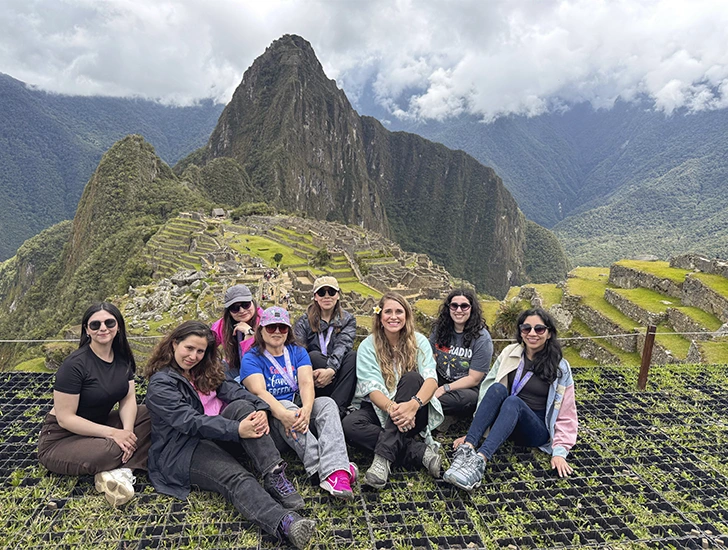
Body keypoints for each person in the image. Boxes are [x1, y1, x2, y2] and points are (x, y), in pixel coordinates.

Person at [144, 321, 315, 549]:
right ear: (175, 344)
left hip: (218, 436)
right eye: (189, 348)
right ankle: (285, 522)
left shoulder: (204, 370)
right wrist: (236, 430)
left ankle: (274, 473)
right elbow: (189, 422)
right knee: (236, 477)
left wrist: (260, 409)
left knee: (245, 408)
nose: (193, 356)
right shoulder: (161, 384)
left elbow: (235, 391)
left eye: (200, 351)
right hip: (184, 448)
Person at [443, 308, 578, 491]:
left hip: (534, 429)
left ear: (549, 333)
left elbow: (566, 413)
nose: (532, 333)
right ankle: (467, 450)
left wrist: (560, 452)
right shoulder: (510, 353)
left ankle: (480, 461)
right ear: (520, 332)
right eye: (526, 328)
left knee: (513, 401)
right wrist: (475, 431)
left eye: (539, 329)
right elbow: (487, 391)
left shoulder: (560, 367)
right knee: (497, 388)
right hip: (506, 421)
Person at [37, 302, 151, 507]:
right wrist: (114, 434)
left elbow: (128, 398)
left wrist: (127, 432)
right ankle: (123, 465)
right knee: (109, 450)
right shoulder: (75, 365)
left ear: (118, 327)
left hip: (98, 426)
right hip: (61, 439)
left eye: (109, 322)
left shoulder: (123, 359)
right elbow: (65, 418)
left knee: (152, 414)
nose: (103, 328)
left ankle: (123, 472)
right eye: (95, 325)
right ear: (87, 330)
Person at [241, 306, 357, 500]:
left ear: (288, 331)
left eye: (282, 327)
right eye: (271, 327)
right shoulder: (252, 358)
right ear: (261, 330)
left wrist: (307, 408)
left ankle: (336, 471)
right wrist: (284, 414)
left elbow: (306, 383)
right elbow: (260, 392)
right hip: (273, 419)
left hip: (298, 415)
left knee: (327, 403)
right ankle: (325, 468)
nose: (277, 332)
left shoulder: (297, 352)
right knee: (286, 406)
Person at [342, 292, 444, 489]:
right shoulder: (368, 346)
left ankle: (382, 459)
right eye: (388, 311)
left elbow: (431, 380)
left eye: (399, 311)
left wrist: (413, 406)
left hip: (416, 409)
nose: (393, 316)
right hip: (382, 407)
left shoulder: (419, 341)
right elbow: (372, 388)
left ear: (406, 316)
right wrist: (393, 409)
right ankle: (420, 452)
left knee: (413, 378)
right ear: (380, 317)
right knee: (350, 425)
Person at [293, 276, 357, 417]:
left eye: (331, 292)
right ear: (315, 297)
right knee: (313, 356)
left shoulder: (347, 319)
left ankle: (336, 411)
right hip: (314, 376)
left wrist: (331, 370)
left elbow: (343, 344)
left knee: (353, 357)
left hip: (337, 372)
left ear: (338, 295)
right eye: (322, 293)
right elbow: (299, 349)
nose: (327, 296)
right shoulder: (304, 321)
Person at [430, 289, 493, 419]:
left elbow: (474, 379)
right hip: (441, 378)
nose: (459, 310)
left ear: (471, 308)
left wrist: (444, 389)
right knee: (413, 380)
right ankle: (430, 408)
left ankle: (427, 408)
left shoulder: (481, 338)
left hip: (467, 387)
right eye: (454, 306)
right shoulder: (440, 330)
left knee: (463, 400)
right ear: (448, 308)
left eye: (464, 306)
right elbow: (430, 360)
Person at [210, 284, 263, 377]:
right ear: (229, 312)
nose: (242, 310)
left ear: (253, 302)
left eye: (246, 305)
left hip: (262, 371)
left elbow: (259, 358)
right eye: (235, 308)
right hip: (235, 369)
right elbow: (207, 344)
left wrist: (249, 333)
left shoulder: (266, 322)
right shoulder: (222, 326)